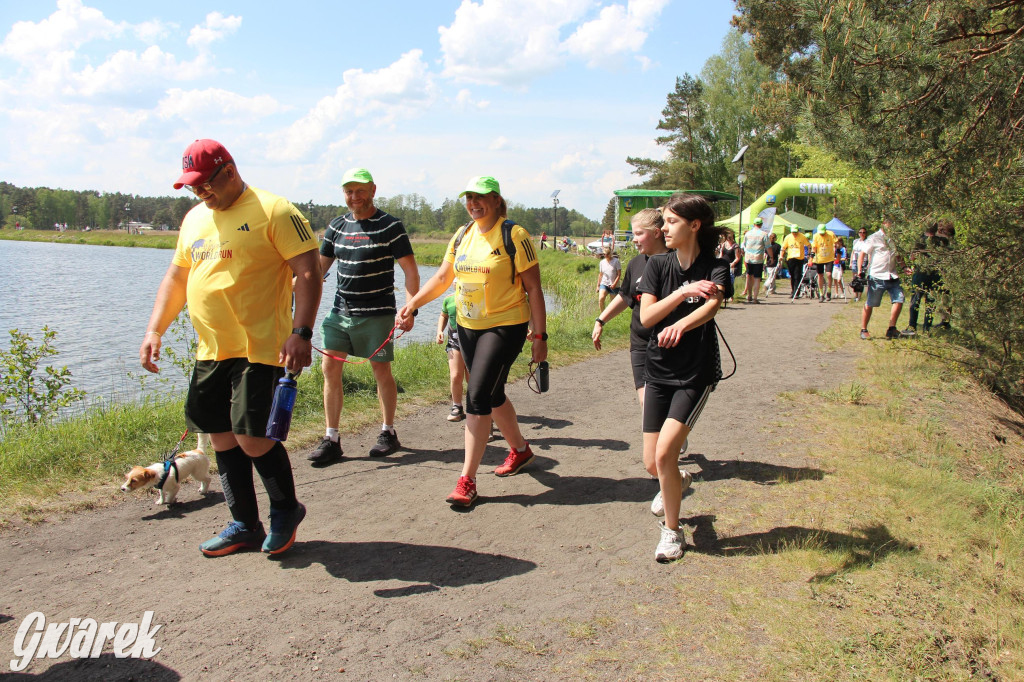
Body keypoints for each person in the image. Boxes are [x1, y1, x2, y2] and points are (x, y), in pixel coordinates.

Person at [139, 139, 321, 557]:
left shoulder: (274, 210)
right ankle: (244, 523)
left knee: (253, 438)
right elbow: (177, 280)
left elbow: (308, 271)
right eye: (192, 187)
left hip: (260, 348)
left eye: (205, 184)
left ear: (230, 170)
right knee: (220, 436)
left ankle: (285, 509)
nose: (200, 192)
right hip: (210, 350)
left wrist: (302, 332)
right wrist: (155, 329)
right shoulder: (194, 219)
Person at [398, 176, 547, 508]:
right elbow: (441, 278)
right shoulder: (462, 234)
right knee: (493, 394)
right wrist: (411, 305)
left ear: (496, 200)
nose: (474, 203)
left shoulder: (514, 235)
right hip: (466, 326)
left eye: (480, 197)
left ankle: (467, 481)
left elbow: (534, 288)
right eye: (469, 198)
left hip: (505, 325)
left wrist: (539, 336)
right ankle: (521, 450)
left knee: (477, 395)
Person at [637, 194, 730, 563]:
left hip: (695, 374)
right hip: (657, 371)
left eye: (671, 222)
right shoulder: (657, 265)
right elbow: (646, 318)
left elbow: (712, 305)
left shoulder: (717, 266)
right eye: (662, 222)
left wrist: (680, 322)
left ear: (694, 225)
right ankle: (679, 480)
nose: (663, 229)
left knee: (664, 454)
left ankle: (672, 533)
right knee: (653, 463)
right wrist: (682, 291)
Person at [308, 168, 420, 466]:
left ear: (372, 189)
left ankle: (388, 432)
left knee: (381, 372)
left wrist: (410, 307)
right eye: (348, 191)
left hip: (378, 314)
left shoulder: (390, 226)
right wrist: (290, 293)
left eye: (359, 190)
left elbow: (410, 270)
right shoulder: (336, 226)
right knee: (329, 369)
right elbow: (318, 271)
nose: (354, 197)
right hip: (340, 313)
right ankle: (332, 438)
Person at [859, 219, 910, 340]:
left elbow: (898, 255)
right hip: (877, 276)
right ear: (884, 224)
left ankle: (891, 328)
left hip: (892, 275)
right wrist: (860, 271)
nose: (891, 227)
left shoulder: (895, 238)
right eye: (889, 225)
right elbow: (862, 253)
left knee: (900, 298)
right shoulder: (874, 237)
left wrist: (904, 267)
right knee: (871, 303)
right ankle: (864, 329)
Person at [903, 222, 948, 335]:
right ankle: (927, 328)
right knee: (930, 302)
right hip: (935, 275)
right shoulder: (942, 241)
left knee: (915, 301)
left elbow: (912, 258)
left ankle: (912, 326)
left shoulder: (919, 240)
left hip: (920, 274)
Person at [437, 293, 466, 422]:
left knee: (473, 378)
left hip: (474, 342)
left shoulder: (476, 295)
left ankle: (476, 407)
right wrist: (439, 331)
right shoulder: (449, 299)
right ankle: (457, 406)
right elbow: (443, 315)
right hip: (455, 342)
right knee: (455, 375)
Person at [741, 217, 771, 303]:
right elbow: (768, 247)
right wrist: (771, 257)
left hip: (749, 258)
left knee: (749, 276)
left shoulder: (748, 234)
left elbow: (744, 245)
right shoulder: (764, 234)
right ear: (761, 224)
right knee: (757, 278)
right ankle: (755, 298)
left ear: (754, 224)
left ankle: (749, 295)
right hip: (758, 258)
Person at [780, 226, 811, 298]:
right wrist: (781, 255)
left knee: (797, 275)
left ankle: (796, 292)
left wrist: (809, 254)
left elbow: (809, 245)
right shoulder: (788, 237)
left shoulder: (802, 236)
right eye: (793, 232)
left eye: (796, 232)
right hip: (790, 258)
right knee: (792, 275)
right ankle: (793, 290)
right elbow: (783, 247)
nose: (794, 233)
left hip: (799, 259)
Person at [810, 224, 837, 302]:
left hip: (829, 258)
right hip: (819, 259)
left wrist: (837, 253)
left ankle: (828, 291)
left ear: (826, 230)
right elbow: (814, 247)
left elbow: (836, 243)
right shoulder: (816, 236)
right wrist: (811, 258)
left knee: (829, 274)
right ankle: (821, 294)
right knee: (820, 275)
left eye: (823, 232)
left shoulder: (831, 234)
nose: (821, 234)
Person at [718, 229, 741, 306]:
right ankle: (723, 296)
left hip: (731, 265)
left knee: (730, 281)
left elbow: (737, 258)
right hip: (723, 264)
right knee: (722, 281)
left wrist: (733, 263)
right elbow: (721, 254)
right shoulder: (724, 244)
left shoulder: (736, 246)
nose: (729, 239)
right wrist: (719, 261)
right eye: (728, 238)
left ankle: (730, 295)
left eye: (730, 238)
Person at [850, 227, 869, 302]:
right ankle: (855, 295)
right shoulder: (855, 241)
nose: (862, 234)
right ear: (858, 233)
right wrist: (851, 261)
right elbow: (853, 252)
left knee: (860, 279)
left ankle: (860, 296)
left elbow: (868, 253)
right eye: (861, 232)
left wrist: (868, 263)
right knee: (855, 279)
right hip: (855, 260)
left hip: (863, 261)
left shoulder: (867, 242)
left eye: (864, 232)